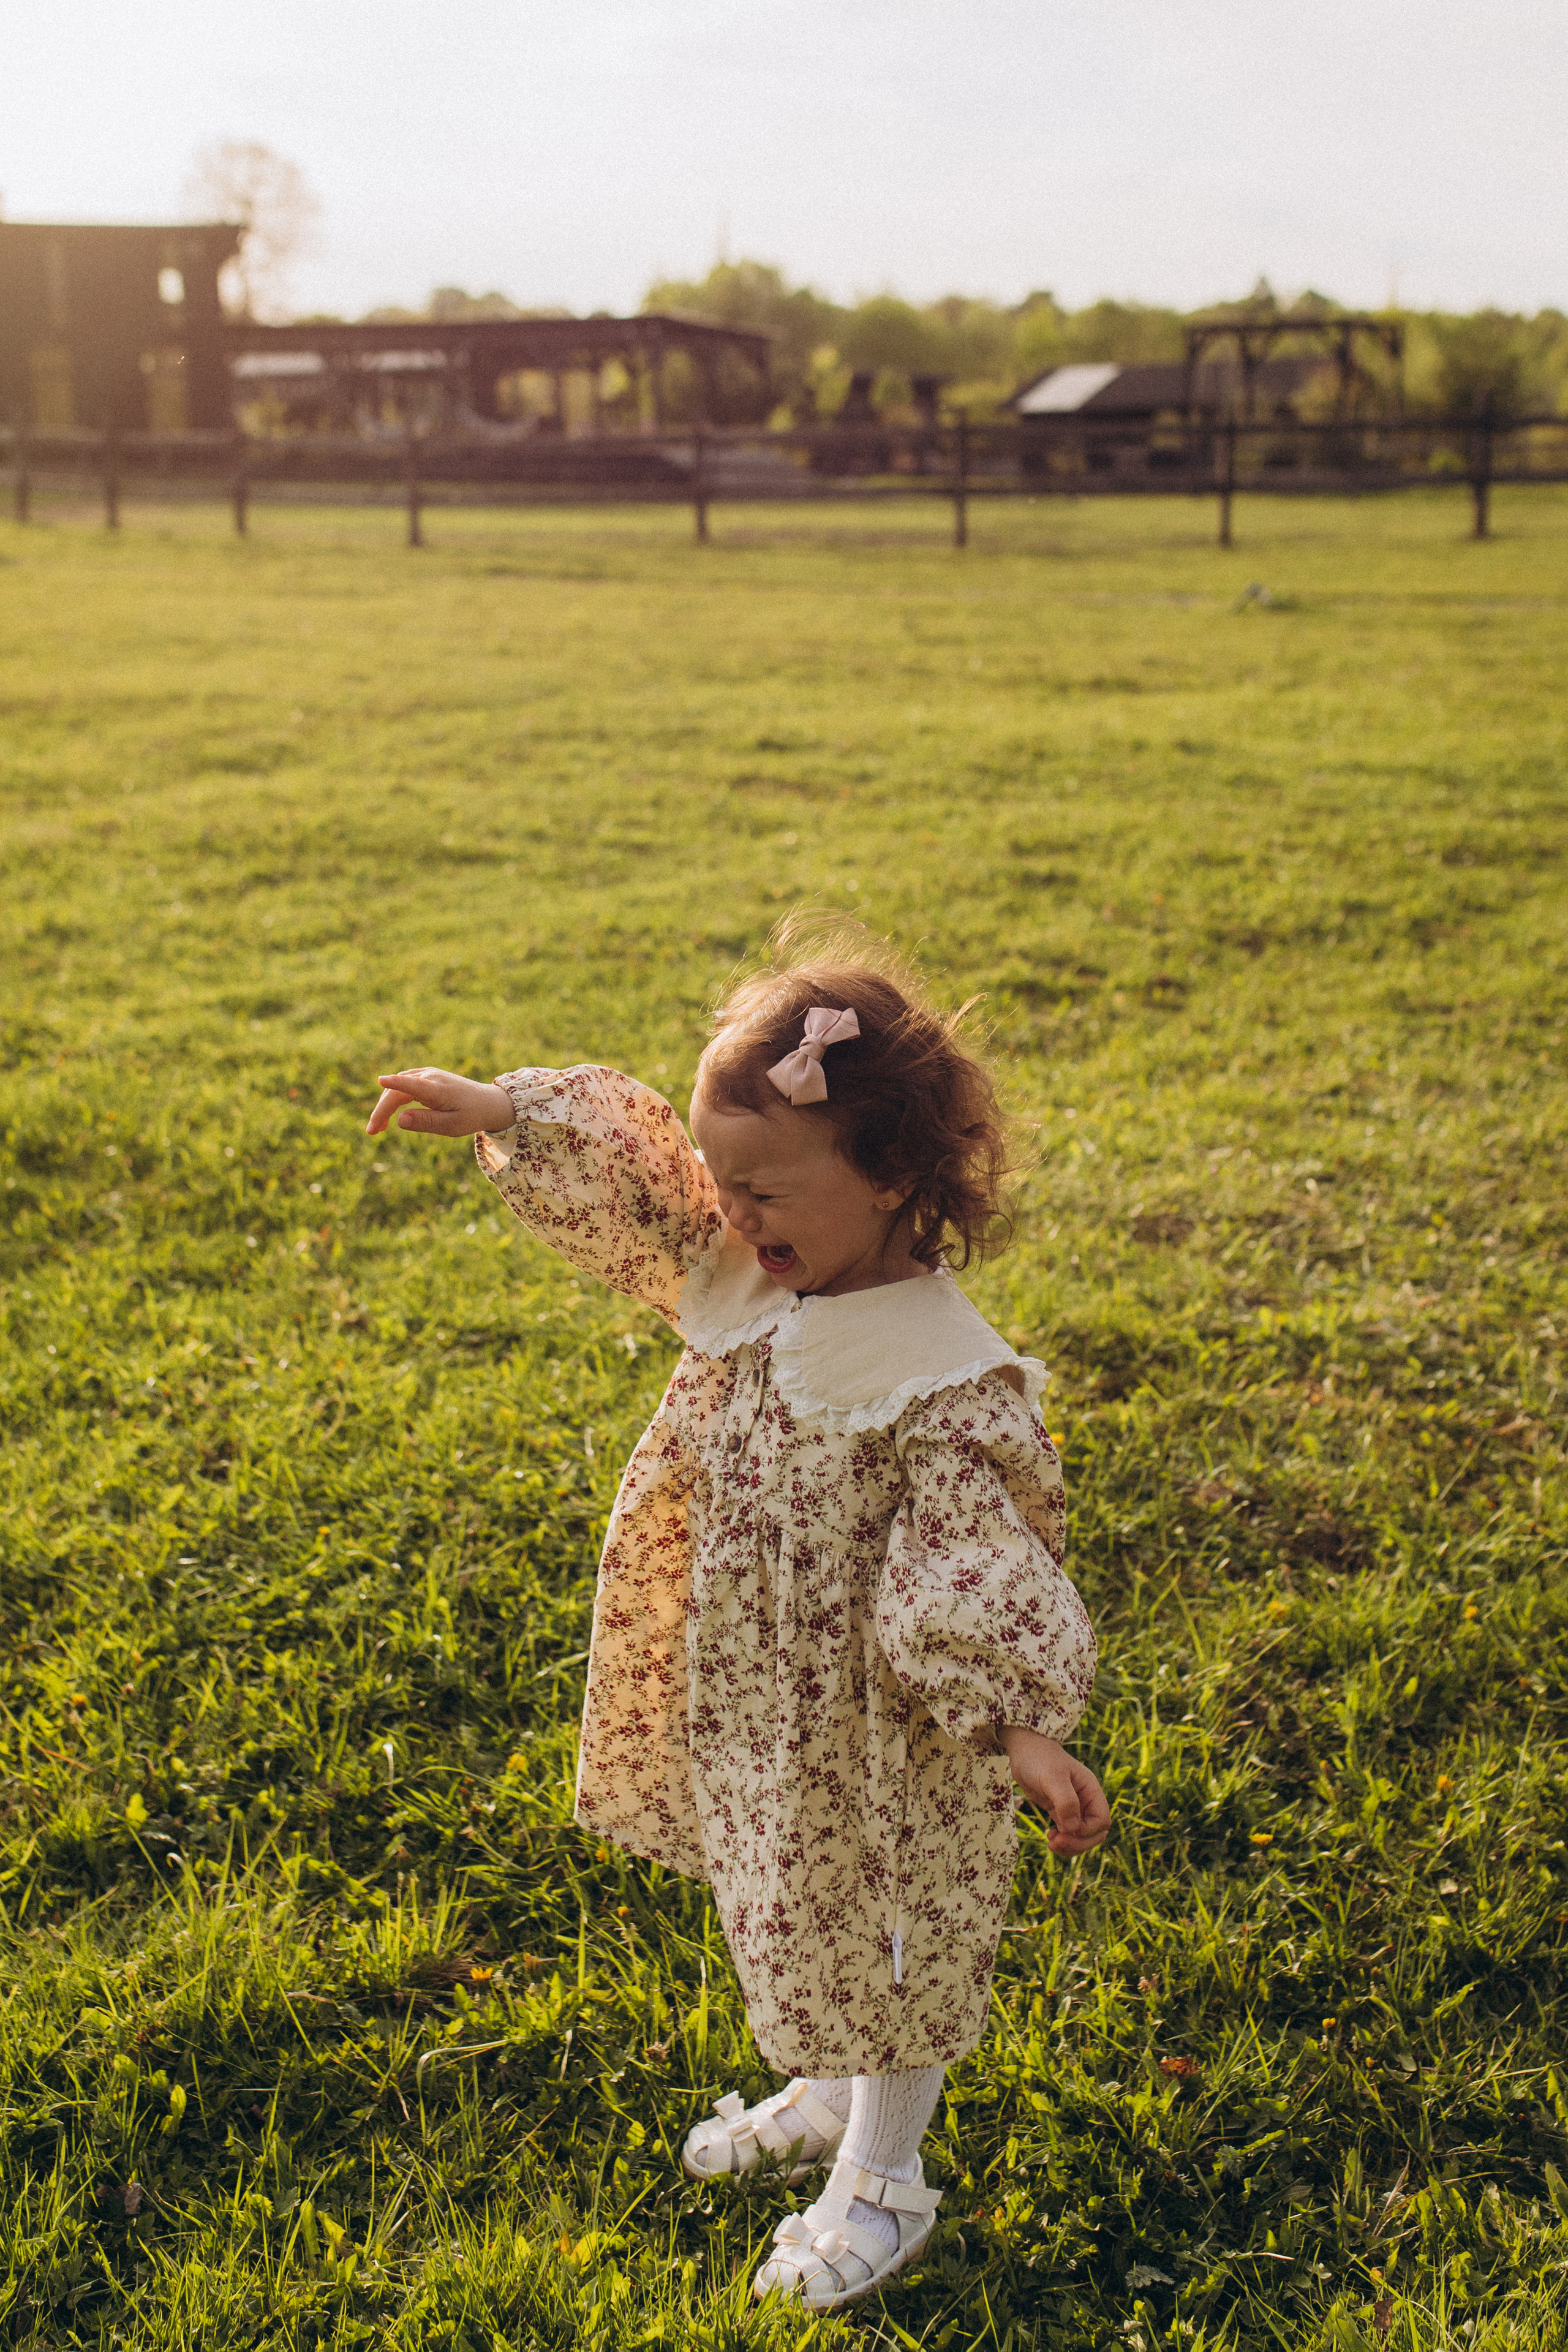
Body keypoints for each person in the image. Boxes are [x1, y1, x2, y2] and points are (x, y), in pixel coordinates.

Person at [364, 939, 1109, 2314]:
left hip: (890, 1731)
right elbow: (646, 1194)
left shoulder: (941, 1376)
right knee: (789, 1897)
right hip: (762, 1691)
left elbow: (971, 1563)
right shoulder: (753, 1272)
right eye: (726, 1184)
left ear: (889, 1178)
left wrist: (1012, 1725)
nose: (733, 1213)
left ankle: (888, 2178)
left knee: (885, 1930)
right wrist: (508, 1112)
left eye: (765, 1188)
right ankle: (823, 2095)